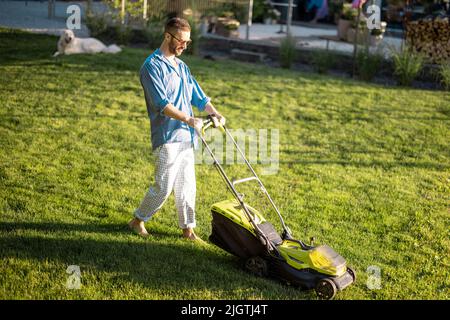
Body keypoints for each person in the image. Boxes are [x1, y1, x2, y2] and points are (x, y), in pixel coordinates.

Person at [128, 17, 226, 240]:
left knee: (187, 187)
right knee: (164, 186)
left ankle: (188, 230)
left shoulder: (182, 66)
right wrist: (189, 119)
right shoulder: (151, 67)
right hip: (167, 136)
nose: (184, 46)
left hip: (187, 137)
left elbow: (199, 97)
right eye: (181, 41)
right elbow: (162, 104)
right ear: (167, 36)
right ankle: (137, 220)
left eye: (187, 42)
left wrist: (214, 112)